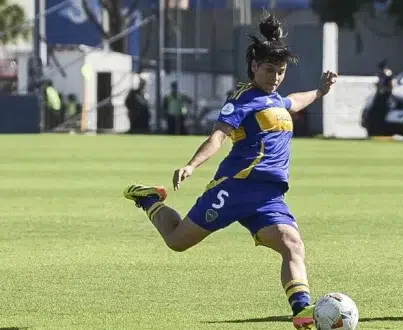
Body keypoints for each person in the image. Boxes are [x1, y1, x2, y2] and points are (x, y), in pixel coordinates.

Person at [122, 13, 337, 329]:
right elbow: (218, 136)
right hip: (235, 188)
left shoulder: (276, 98)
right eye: (269, 70)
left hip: (268, 195)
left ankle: (302, 313)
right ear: (254, 67)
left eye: (280, 71)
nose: (275, 76)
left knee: (292, 244)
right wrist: (192, 165)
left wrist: (320, 92)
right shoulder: (242, 100)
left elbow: (294, 101)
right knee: (177, 242)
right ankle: (150, 199)